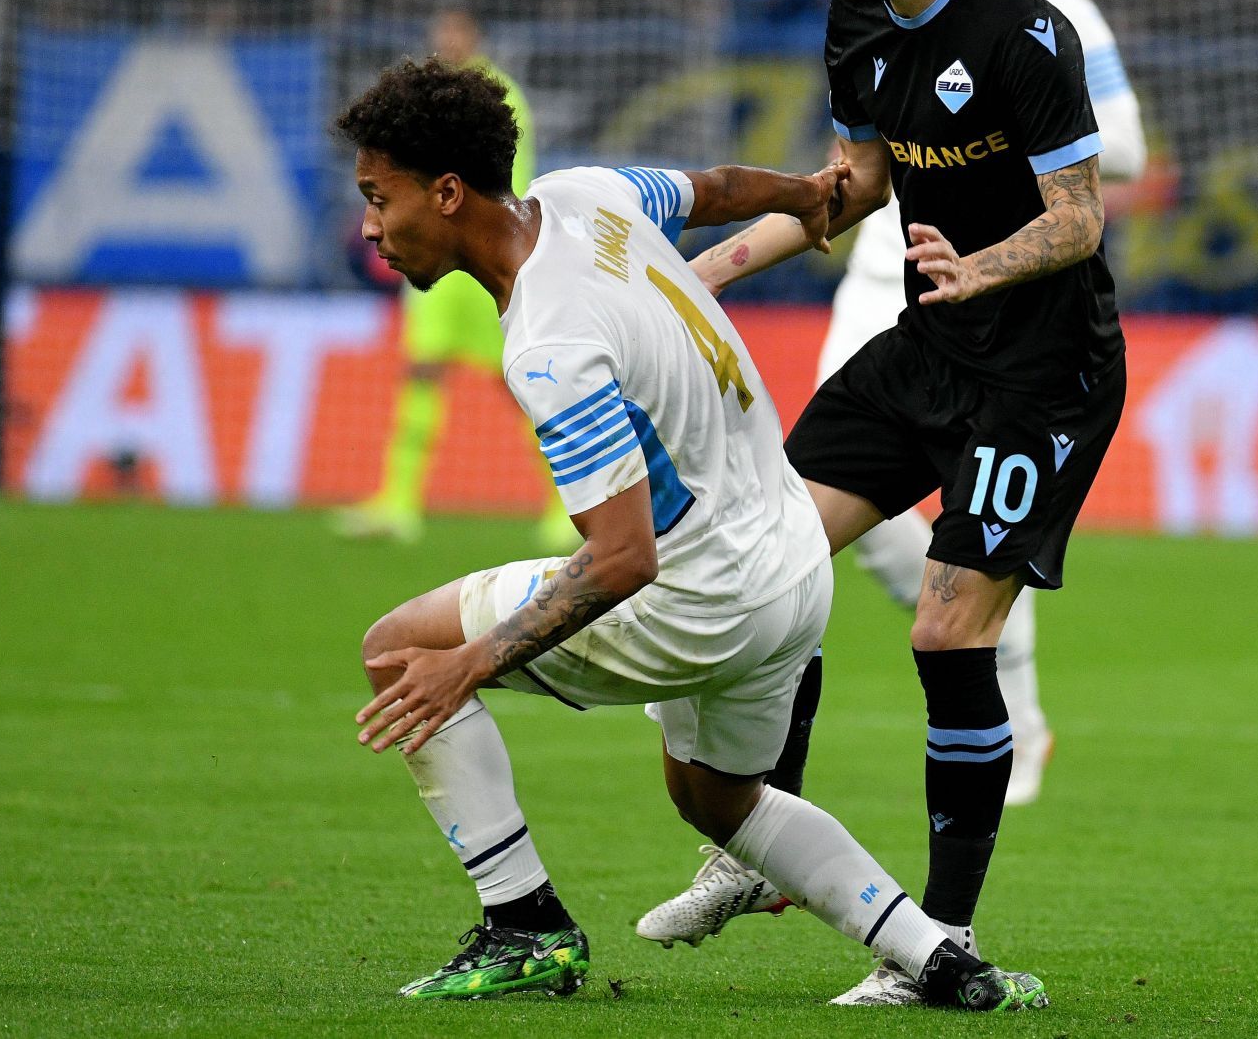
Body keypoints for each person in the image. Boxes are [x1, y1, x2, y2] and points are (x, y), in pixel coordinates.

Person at [338, 57, 1048, 1010]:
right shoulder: (582, 194)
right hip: (795, 564)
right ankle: (941, 958)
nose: (372, 227)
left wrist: (470, 662)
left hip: (701, 596)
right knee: (716, 800)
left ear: (449, 191)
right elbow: (714, 191)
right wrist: (806, 194)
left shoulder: (549, 345)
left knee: (398, 649)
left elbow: (625, 556)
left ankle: (524, 926)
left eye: (380, 199)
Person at [633, 0, 1152, 960]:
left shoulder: (1030, 34)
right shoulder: (856, 11)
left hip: (1043, 369)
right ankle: (750, 850)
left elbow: (1079, 219)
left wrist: (982, 263)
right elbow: (854, 182)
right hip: (930, 343)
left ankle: (944, 941)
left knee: (944, 630)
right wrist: (702, 272)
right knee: (762, 556)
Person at [332, 8, 577, 551]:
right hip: (435, 263)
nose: (447, 43)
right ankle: (398, 503)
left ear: (475, 40)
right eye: (440, 36)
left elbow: (503, 180)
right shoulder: (424, 111)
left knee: (518, 384)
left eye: (455, 35)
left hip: (481, 260)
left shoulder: (500, 99)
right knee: (421, 372)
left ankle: (564, 506)